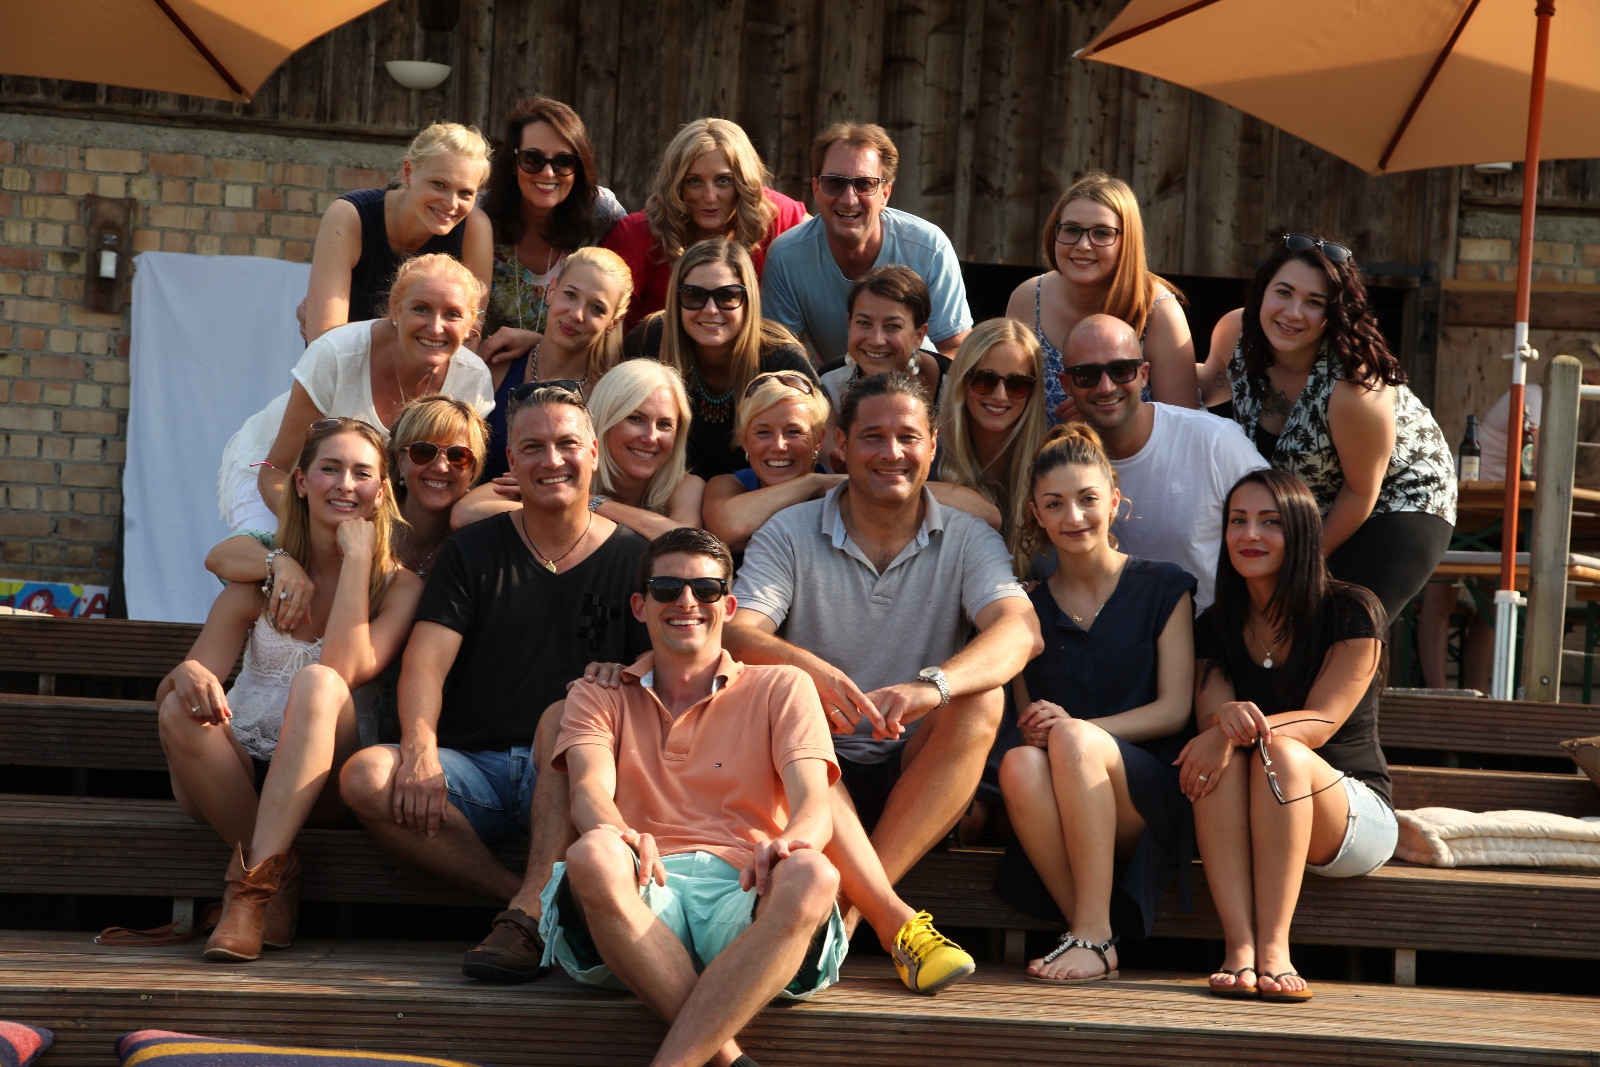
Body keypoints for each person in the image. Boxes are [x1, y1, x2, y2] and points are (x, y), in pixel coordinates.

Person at [726, 371, 1042, 991]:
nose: (891, 452)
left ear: (932, 446)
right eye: (873, 436)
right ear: (841, 445)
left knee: (981, 699)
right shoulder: (789, 531)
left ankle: (845, 916)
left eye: (908, 437)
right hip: (810, 770)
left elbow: (1021, 630)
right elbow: (736, 633)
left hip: (916, 768)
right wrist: (810, 670)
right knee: (777, 701)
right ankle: (892, 921)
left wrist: (932, 687)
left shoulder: (968, 537)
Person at [338, 384, 651, 981]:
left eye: (566, 444)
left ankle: (526, 915)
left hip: (570, 774)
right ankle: (525, 899)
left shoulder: (634, 559)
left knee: (565, 718)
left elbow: (668, 668)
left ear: (593, 453)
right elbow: (425, 663)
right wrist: (420, 751)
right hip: (474, 771)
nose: (551, 460)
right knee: (365, 776)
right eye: (532, 447)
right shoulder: (473, 550)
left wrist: (631, 674)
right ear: (512, 461)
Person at [540, 528, 845, 1067]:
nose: (687, 602)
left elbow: (815, 805)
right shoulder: (597, 693)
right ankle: (725, 1058)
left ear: (728, 606)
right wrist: (620, 834)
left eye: (706, 590)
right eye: (667, 588)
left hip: (746, 893)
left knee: (813, 871)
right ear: (640, 606)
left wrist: (792, 841)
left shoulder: (783, 686)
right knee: (594, 851)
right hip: (640, 892)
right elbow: (588, 791)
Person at [158, 418, 422, 960]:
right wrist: (186, 675)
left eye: (362, 473)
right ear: (301, 482)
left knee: (320, 681)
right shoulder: (260, 577)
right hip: (232, 770)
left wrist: (356, 558)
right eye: (330, 469)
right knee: (178, 709)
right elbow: (175, 689)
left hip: (324, 782)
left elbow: (345, 668)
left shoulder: (400, 586)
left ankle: (249, 896)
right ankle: (278, 872)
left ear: (381, 492)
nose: (345, 484)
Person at [1178, 468, 1396, 1003]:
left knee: (1278, 751)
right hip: (1254, 807)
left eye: (1270, 522)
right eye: (1238, 521)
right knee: (1219, 756)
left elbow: (1322, 722)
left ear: (1301, 532)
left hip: (1350, 814)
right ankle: (1239, 947)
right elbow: (1211, 722)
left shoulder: (1352, 610)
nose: (1250, 534)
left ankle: (1276, 949)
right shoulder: (1214, 626)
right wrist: (1223, 729)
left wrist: (1231, 731)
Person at [997, 424, 1196, 982]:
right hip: (1066, 796)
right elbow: (1029, 721)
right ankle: (1092, 932)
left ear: (1113, 500)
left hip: (1149, 794)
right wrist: (1045, 731)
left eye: (1087, 499)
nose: (1073, 516)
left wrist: (1076, 729)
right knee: (1019, 762)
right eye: (1054, 504)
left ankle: (1091, 932)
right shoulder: (1025, 609)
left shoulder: (1163, 587)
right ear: (1036, 514)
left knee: (1074, 738)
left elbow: (1175, 709)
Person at [1202, 234, 1457, 622]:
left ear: (1333, 314)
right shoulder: (1235, 333)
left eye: (1314, 302)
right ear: (1262, 292)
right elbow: (1207, 386)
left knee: (1343, 625)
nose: (1292, 312)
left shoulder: (1354, 388)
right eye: (1283, 292)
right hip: (1313, 500)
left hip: (1396, 498)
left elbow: (1361, 490)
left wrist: (1303, 564)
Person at [218, 254, 494, 535]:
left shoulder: (473, 379)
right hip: (277, 476)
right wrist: (317, 537)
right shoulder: (336, 354)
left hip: (361, 495)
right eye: (420, 309)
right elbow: (274, 469)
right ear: (395, 308)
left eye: (452, 314)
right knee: (275, 559)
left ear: (471, 324)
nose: (435, 327)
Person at [206, 395, 489, 636]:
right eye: (423, 452)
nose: (441, 467)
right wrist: (280, 562)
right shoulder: (360, 517)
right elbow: (221, 556)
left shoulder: (476, 544)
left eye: (458, 456)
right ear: (400, 461)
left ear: (475, 469)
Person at [1060, 314, 1266, 610]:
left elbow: (1282, 526)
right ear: (1066, 384)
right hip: (1116, 634)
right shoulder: (1063, 464)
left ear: (1144, 374)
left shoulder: (1213, 440)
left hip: (1216, 631)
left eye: (1121, 370)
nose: (1105, 386)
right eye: (1086, 374)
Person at [762, 122, 972, 362]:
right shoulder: (786, 257)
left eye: (864, 184)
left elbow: (958, 351)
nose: (849, 199)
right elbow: (781, 358)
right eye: (835, 182)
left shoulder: (929, 249)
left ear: (885, 194)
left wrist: (916, 378)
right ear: (816, 189)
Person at [1005, 171, 1197, 424]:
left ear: (1127, 241)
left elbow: (1184, 425)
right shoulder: (1028, 297)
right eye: (1071, 230)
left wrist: (1106, 409)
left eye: (1102, 233)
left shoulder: (1160, 312)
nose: (1083, 244)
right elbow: (1005, 394)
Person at [623, 238, 816, 478]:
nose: (711, 310)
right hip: (670, 484)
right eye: (694, 295)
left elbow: (817, 439)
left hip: (764, 487)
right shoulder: (651, 339)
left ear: (748, 300)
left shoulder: (781, 358)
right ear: (676, 299)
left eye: (727, 296)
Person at [603, 118, 808, 331]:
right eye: (694, 181)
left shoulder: (776, 215)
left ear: (743, 183)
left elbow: (825, 242)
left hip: (757, 349)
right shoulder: (636, 235)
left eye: (723, 180)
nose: (710, 197)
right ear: (676, 185)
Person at [301, 124, 493, 343]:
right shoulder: (349, 216)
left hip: (429, 364)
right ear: (408, 172)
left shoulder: (474, 227)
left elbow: (469, 336)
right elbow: (323, 342)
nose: (451, 203)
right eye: (439, 184)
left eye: (465, 193)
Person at [477, 96, 628, 368]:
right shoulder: (480, 216)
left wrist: (537, 341)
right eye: (532, 159)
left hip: (574, 371)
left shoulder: (601, 213)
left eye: (563, 162)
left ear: (579, 167)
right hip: (489, 368)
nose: (548, 173)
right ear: (513, 162)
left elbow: (620, 300)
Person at [474, 245, 636, 486]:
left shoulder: (609, 398)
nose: (577, 314)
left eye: (597, 308)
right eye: (570, 294)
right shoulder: (497, 365)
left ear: (613, 322)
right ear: (551, 291)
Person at [936, 318, 1048, 575]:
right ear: (963, 381)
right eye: (985, 380)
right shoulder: (930, 456)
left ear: (1032, 391)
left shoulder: (1051, 466)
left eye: (1017, 384)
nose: (999, 395)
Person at [818, 267, 953, 468]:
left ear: (919, 336)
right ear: (849, 324)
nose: (876, 340)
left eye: (893, 326)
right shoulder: (828, 384)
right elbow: (831, 470)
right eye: (864, 323)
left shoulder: (955, 386)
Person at [586, 359, 704, 538]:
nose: (650, 437)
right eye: (635, 419)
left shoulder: (686, 486)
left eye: (664, 424)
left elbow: (684, 540)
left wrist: (593, 503)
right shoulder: (569, 475)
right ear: (603, 419)